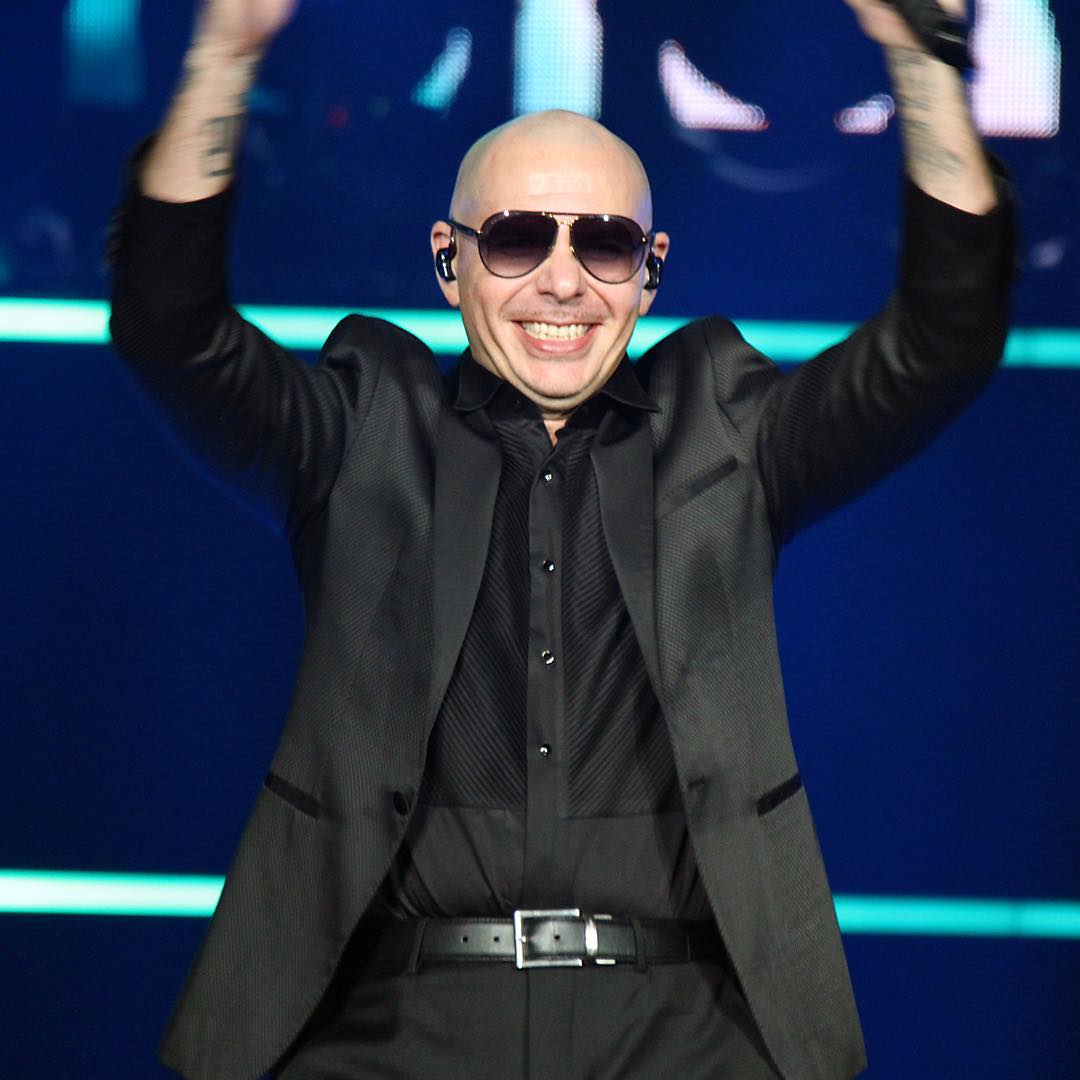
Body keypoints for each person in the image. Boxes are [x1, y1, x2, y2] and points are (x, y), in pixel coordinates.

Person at [108, 1, 1015, 1076]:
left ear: (651, 271)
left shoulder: (728, 433)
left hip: (682, 1028)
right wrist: (224, 58)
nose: (563, 279)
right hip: (398, 1026)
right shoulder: (361, 433)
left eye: (606, 244)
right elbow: (172, 330)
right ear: (448, 261)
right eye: (517, 238)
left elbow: (941, 341)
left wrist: (921, 62)